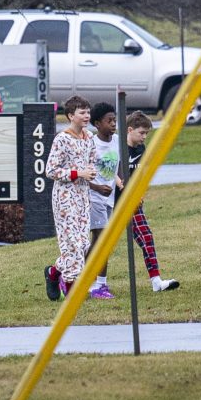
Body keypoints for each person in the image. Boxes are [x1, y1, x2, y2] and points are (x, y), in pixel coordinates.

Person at [43, 96, 98, 301]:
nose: (86, 116)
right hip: (64, 196)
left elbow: (92, 162)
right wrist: (77, 173)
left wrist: (91, 172)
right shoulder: (62, 139)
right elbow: (51, 170)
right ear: (70, 116)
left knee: (83, 243)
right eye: (82, 113)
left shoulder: (90, 137)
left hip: (83, 195)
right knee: (72, 243)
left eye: (88, 112)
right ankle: (72, 288)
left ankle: (54, 272)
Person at [121, 113, 179, 292]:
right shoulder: (118, 147)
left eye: (147, 133)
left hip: (132, 202)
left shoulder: (141, 150)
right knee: (97, 245)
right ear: (129, 130)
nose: (144, 137)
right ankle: (92, 283)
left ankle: (156, 281)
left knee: (146, 237)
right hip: (111, 200)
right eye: (141, 133)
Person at [85, 106, 120, 300]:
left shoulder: (116, 141)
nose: (113, 124)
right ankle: (97, 285)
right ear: (97, 123)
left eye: (114, 120)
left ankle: (77, 278)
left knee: (99, 242)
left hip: (109, 199)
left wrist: (121, 182)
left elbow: (118, 166)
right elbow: (82, 174)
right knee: (102, 241)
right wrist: (97, 188)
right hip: (94, 198)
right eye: (109, 121)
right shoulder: (91, 144)